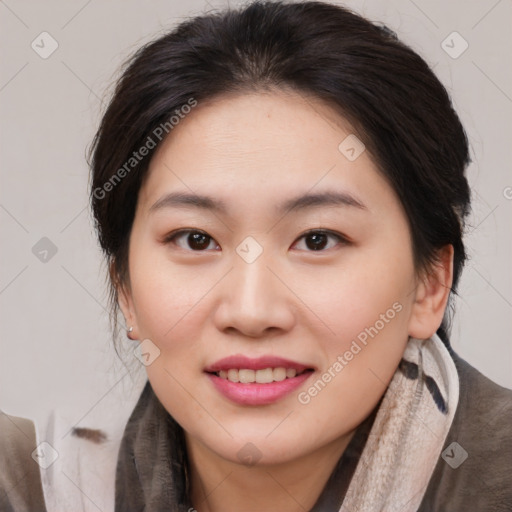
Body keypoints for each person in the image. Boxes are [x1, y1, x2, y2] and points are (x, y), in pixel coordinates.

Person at [1, 1, 511, 511]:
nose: (251, 312)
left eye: (318, 239)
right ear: (125, 289)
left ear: (430, 285)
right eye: (195, 239)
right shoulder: (28, 488)